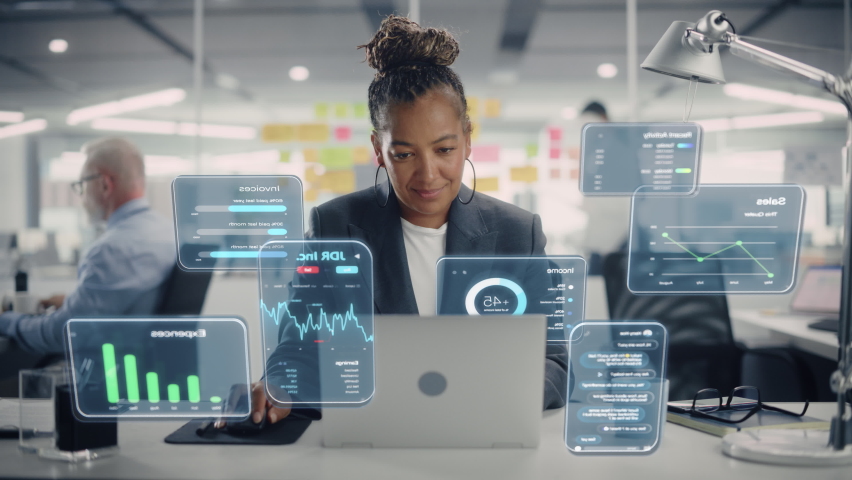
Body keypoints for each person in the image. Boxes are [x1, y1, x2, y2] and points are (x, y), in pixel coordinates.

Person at [247, 15, 568, 427]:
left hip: (481, 434)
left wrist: (504, 390)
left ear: (468, 138)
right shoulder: (335, 225)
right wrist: (280, 384)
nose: (429, 174)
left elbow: (554, 361)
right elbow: (297, 350)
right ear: (378, 151)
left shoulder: (516, 232)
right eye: (403, 154)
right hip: (372, 438)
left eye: (444, 149)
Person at [0, 137, 176, 354]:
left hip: (115, 376)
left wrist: (8, 321)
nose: (82, 197)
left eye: (82, 185)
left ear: (104, 184)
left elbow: (64, 334)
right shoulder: (169, 234)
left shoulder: (113, 249)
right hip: (158, 368)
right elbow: (134, 303)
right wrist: (73, 302)